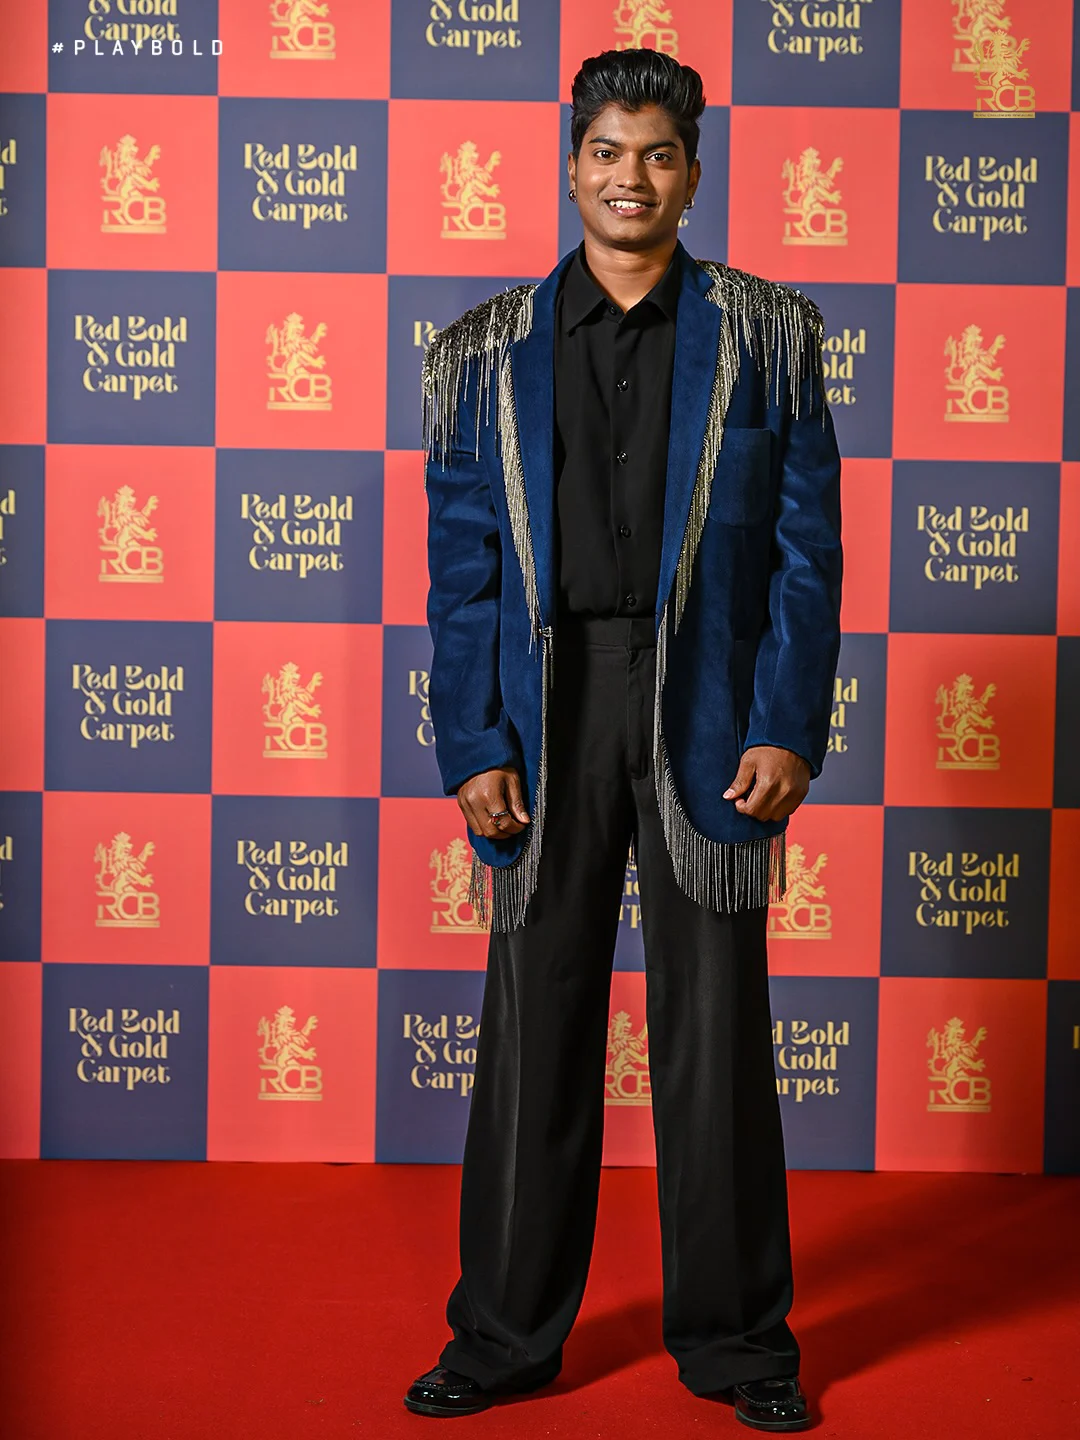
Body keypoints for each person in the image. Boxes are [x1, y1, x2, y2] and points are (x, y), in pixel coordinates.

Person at [404, 47, 842, 1432]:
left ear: (693, 174)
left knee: (717, 1036)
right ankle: (502, 1338)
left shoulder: (769, 335)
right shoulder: (483, 352)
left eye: (659, 154)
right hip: (549, 706)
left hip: (709, 709)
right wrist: (473, 740)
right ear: (571, 165)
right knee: (536, 1028)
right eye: (608, 151)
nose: (632, 177)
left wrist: (787, 725)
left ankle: (739, 1345)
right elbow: (463, 572)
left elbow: (808, 556)